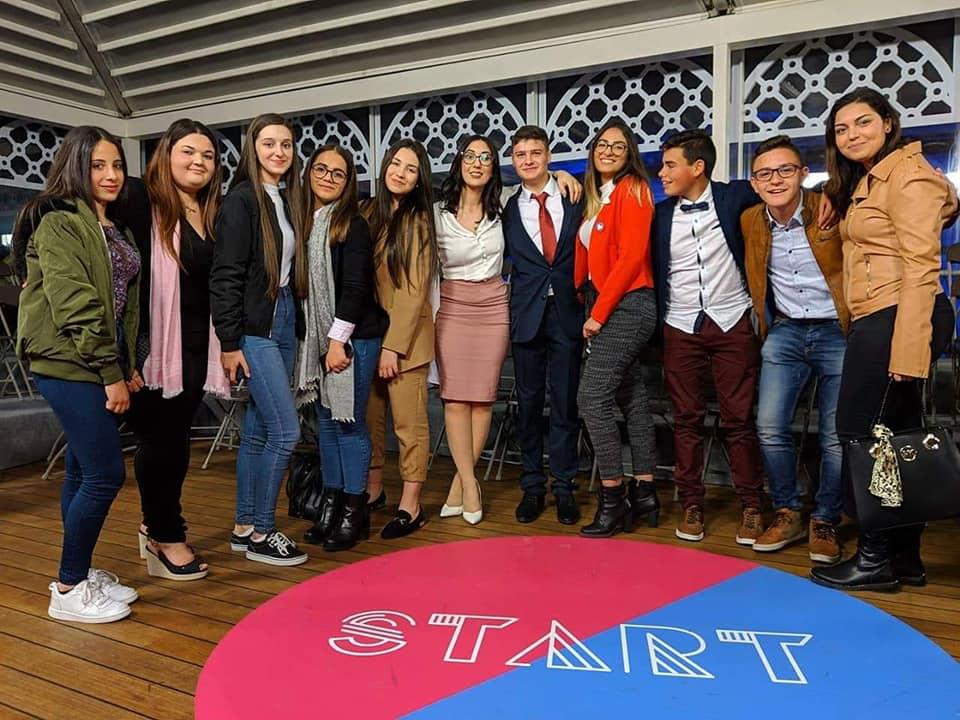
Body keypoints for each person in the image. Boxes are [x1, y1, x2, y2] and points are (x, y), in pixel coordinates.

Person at [811, 88, 957, 591]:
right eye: (841, 128)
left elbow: (922, 266)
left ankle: (874, 558)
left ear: (889, 123)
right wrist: (839, 204)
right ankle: (903, 558)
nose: (851, 135)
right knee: (894, 438)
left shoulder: (910, 175)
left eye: (863, 123)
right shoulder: (874, 180)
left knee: (860, 436)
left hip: (902, 315)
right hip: (883, 314)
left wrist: (909, 351)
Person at [16, 125, 141, 623]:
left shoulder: (115, 226)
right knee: (106, 474)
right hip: (69, 361)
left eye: (116, 165)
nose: (110, 175)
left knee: (82, 471)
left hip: (96, 360)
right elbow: (76, 304)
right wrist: (110, 372)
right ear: (75, 166)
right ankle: (68, 588)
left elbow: (123, 308)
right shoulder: (60, 222)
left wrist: (125, 366)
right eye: (98, 166)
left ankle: (80, 571)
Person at [126, 119, 231, 581]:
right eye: (188, 152)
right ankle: (165, 534)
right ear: (166, 155)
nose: (198, 162)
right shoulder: (138, 198)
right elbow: (49, 207)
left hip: (195, 345)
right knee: (160, 440)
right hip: (152, 347)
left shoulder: (212, 211)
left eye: (207, 156)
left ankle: (158, 524)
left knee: (176, 440)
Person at [652, 129, 766, 545]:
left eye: (670, 164)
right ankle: (692, 504)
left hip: (732, 321)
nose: (661, 172)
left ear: (697, 167)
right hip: (680, 325)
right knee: (685, 420)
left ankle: (752, 506)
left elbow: (781, 190)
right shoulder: (660, 215)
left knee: (739, 421)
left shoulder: (735, 197)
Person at [741, 135, 847, 564]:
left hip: (838, 330)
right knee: (768, 425)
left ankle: (826, 518)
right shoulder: (750, 219)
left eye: (785, 170)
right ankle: (788, 509)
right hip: (784, 330)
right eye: (765, 173)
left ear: (804, 175)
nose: (775, 179)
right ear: (753, 182)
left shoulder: (831, 208)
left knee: (836, 436)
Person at [211, 113, 308, 566]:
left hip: (284, 315)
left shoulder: (287, 198)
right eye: (269, 144)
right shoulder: (242, 201)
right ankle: (264, 534)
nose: (278, 152)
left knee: (258, 431)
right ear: (253, 148)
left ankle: (244, 525)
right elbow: (225, 276)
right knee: (286, 431)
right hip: (254, 327)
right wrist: (230, 343)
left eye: (286, 144)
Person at [297, 144, 388, 551]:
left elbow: (355, 288)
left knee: (349, 425)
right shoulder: (306, 223)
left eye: (338, 173)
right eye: (322, 169)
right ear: (310, 173)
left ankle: (356, 512)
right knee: (328, 426)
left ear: (348, 181)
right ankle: (331, 506)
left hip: (352, 337)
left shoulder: (353, 223)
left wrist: (337, 341)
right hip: (315, 338)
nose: (329, 177)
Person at [574, 119, 658, 538]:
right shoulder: (598, 195)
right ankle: (645, 492)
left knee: (590, 397)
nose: (609, 151)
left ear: (630, 156)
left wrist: (598, 313)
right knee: (631, 396)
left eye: (619, 147)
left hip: (628, 303)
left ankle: (613, 501)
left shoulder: (634, 189)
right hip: (604, 301)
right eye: (603, 144)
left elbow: (629, 259)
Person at [502, 125, 585, 526]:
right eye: (521, 155)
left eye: (536, 152)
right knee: (529, 406)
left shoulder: (575, 195)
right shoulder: (505, 209)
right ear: (514, 161)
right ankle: (533, 487)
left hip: (569, 313)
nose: (529, 160)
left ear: (549, 157)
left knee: (566, 404)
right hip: (526, 317)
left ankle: (565, 486)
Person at [362, 139, 437, 539]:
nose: (401, 172)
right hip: (370, 339)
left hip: (404, 342)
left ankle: (411, 503)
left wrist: (393, 346)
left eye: (410, 168)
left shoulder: (418, 221)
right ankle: (374, 492)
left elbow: (413, 289)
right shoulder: (368, 213)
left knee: (409, 426)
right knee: (371, 423)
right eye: (395, 164)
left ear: (418, 177)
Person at [434, 135, 509, 526]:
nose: (477, 163)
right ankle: (470, 484)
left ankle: (458, 487)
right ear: (459, 162)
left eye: (486, 157)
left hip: (494, 306)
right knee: (455, 399)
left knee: (483, 400)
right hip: (452, 307)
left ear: (494, 167)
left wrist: (563, 175)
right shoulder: (436, 213)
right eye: (470, 155)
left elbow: (540, 189)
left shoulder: (505, 206)